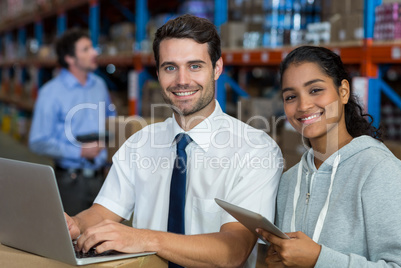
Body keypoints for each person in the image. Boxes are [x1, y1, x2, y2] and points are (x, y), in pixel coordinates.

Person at [65, 15, 283, 268]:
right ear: (158, 73)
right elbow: (103, 212)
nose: (182, 80)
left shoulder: (255, 150)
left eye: (195, 66)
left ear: (217, 68)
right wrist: (75, 225)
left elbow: (232, 251)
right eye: (170, 67)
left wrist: (145, 239)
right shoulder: (140, 142)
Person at [256, 46, 401, 267]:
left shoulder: (379, 170)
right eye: (291, 96)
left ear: (343, 92)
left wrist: (317, 259)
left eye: (315, 90)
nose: (303, 105)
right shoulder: (288, 181)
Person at [29, 28, 116, 215]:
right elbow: (38, 141)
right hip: (70, 182)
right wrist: (79, 151)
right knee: (71, 241)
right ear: (69, 58)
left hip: (102, 180)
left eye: (92, 47)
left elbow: (110, 122)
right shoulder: (51, 93)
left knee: (104, 239)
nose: (94, 53)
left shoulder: (99, 85)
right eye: (86, 49)